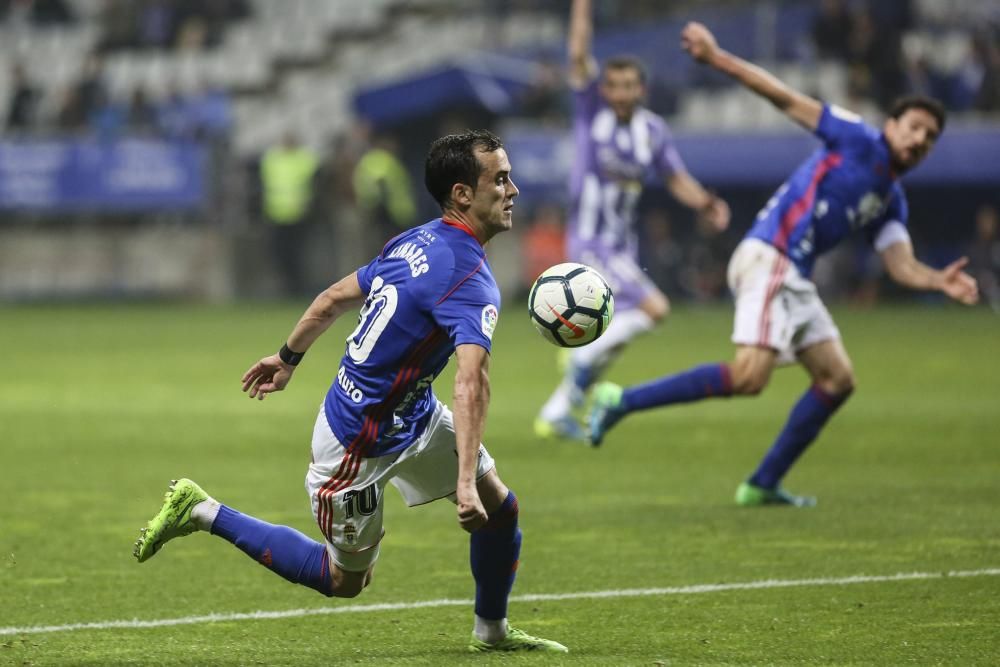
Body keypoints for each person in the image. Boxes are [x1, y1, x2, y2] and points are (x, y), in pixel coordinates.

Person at [133, 129, 568, 654]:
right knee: (345, 581)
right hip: (355, 445)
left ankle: (492, 633)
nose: (513, 189)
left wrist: (287, 357)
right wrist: (464, 482)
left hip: (412, 416)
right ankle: (201, 511)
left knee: (503, 509)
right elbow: (472, 382)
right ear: (462, 194)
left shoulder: (416, 240)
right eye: (499, 179)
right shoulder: (470, 279)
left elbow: (333, 297)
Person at [587, 22, 980, 507]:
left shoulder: (890, 199)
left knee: (837, 380)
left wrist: (937, 280)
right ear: (892, 125)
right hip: (772, 255)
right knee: (750, 376)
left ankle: (763, 483)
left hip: (789, 273)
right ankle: (621, 400)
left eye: (931, 136)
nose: (921, 139)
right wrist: (716, 57)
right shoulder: (859, 139)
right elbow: (785, 97)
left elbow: (900, 265)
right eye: (914, 127)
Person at [534, 0, 731, 441]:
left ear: (641, 89)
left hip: (623, 245)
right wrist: (583, 8)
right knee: (654, 310)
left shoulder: (653, 131)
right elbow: (579, 55)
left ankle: (557, 410)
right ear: (604, 90)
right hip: (589, 239)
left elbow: (675, 178)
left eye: (629, 86)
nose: (621, 93)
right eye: (614, 85)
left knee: (611, 336)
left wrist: (704, 203)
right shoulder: (591, 112)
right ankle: (580, 363)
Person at [259, 132, 320, 296]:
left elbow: (316, 178)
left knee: (298, 254)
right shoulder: (272, 159)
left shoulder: (304, 158)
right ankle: (287, 287)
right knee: (280, 254)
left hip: (298, 214)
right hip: (276, 214)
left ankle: (297, 287)